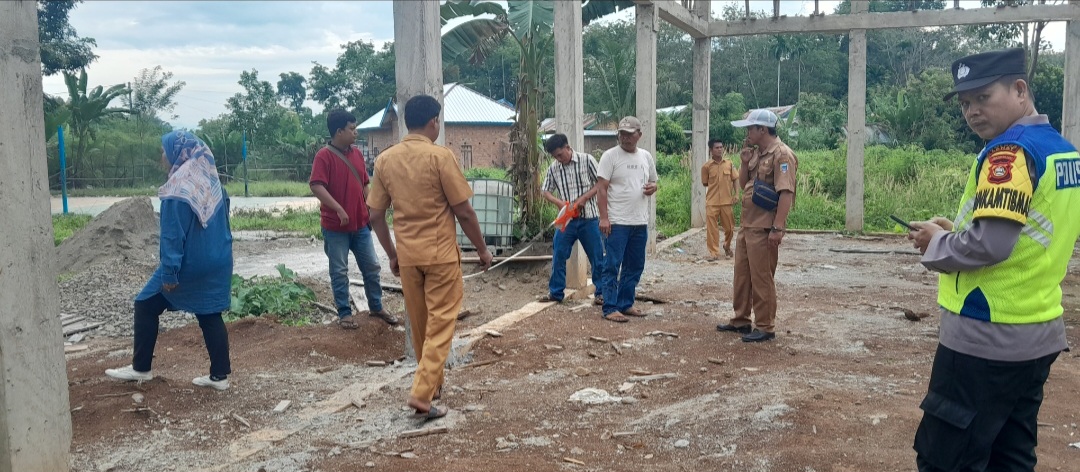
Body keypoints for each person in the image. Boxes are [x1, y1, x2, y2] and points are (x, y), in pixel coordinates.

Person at [907, 48, 1079, 472]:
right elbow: (1028, 234)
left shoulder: (1009, 153)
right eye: (965, 103)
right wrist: (954, 232)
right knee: (1011, 455)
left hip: (987, 338)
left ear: (1019, 89)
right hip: (1037, 330)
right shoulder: (1061, 151)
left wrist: (936, 245)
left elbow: (989, 246)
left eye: (983, 97)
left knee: (947, 459)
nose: (972, 112)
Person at [368, 94, 494, 420]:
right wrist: (481, 249)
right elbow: (464, 211)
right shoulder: (441, 157)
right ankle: (422, 394)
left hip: (408, 257)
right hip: (439, 255)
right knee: (441, 323)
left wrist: (392, 254)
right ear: (433, 122)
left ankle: (433, 388)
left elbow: (375, 216)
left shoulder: (385, 160)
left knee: (423, 325)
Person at [105, 130, 234, 390]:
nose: (162, 156)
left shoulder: (178, 188)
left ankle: (141, 368)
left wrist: (170, 273)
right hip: (218, 258)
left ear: (177, 152)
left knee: (145, 304)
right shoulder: (211, 181)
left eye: (164, 151)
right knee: (209, 313)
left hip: (189, 264)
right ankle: (220, 376)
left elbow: (173, 237)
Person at [309, 109, 398, 329]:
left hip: (360, 224)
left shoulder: (357, 154)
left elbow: (365, 183)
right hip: (335, 227)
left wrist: (372, 205)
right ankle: (344, 313)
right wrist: (338, 208)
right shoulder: (324, 156)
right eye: (351, 129)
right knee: (339, 271)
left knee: (372, 266)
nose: (355, 132)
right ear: (339, 132)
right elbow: (316, 185)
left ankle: (376, 307)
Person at [716, 109, 798, 342]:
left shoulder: (782, 155)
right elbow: (744, 185)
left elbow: (786, 193)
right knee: (742, 276)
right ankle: (741, 320)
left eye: (750, 128)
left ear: (763, 129)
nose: (747, 132)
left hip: (764, 227)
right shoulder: (756, 154)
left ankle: (765, 325)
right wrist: (744, 163)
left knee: (762, 278)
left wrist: (777, 228)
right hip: (748, 225)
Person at [596, 116, 658, 323]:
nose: (625, 138)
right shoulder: (610, 156)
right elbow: (601, 189)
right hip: (617, 222)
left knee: (635, 264)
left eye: (630, 134)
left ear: (639, 135)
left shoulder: (646, 157)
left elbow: (653, 182)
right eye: (622, 134)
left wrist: (653, 188)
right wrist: (604, 218)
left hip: (639, 221)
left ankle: (625, 303)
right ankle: (610, 306)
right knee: (612, 264)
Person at [538, 133, 605, 306]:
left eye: (560, 155)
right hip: (567, 222)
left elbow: (601, 184)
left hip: (589, 219)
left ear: (568, 148)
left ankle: (602, 293)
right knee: (559, 254)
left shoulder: (587, 160)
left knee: (597, 257)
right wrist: (560, 204)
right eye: (555, 157)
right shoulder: (554, 168)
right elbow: (545, 191)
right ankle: (556, 293)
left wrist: (583, 199)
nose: (558, 159)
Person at [701, 138, 739, 259]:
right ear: (711, 150)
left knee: (730, 228)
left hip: (727, 202)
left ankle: (727, 246)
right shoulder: (706, 167)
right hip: (712, 202)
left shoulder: (729, 164)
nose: (719, 149)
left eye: (721, 147)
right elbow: (705, 183)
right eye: (716, 148)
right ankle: (714, 252)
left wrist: (736, 194)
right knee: (712, 229)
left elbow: (735, 179)